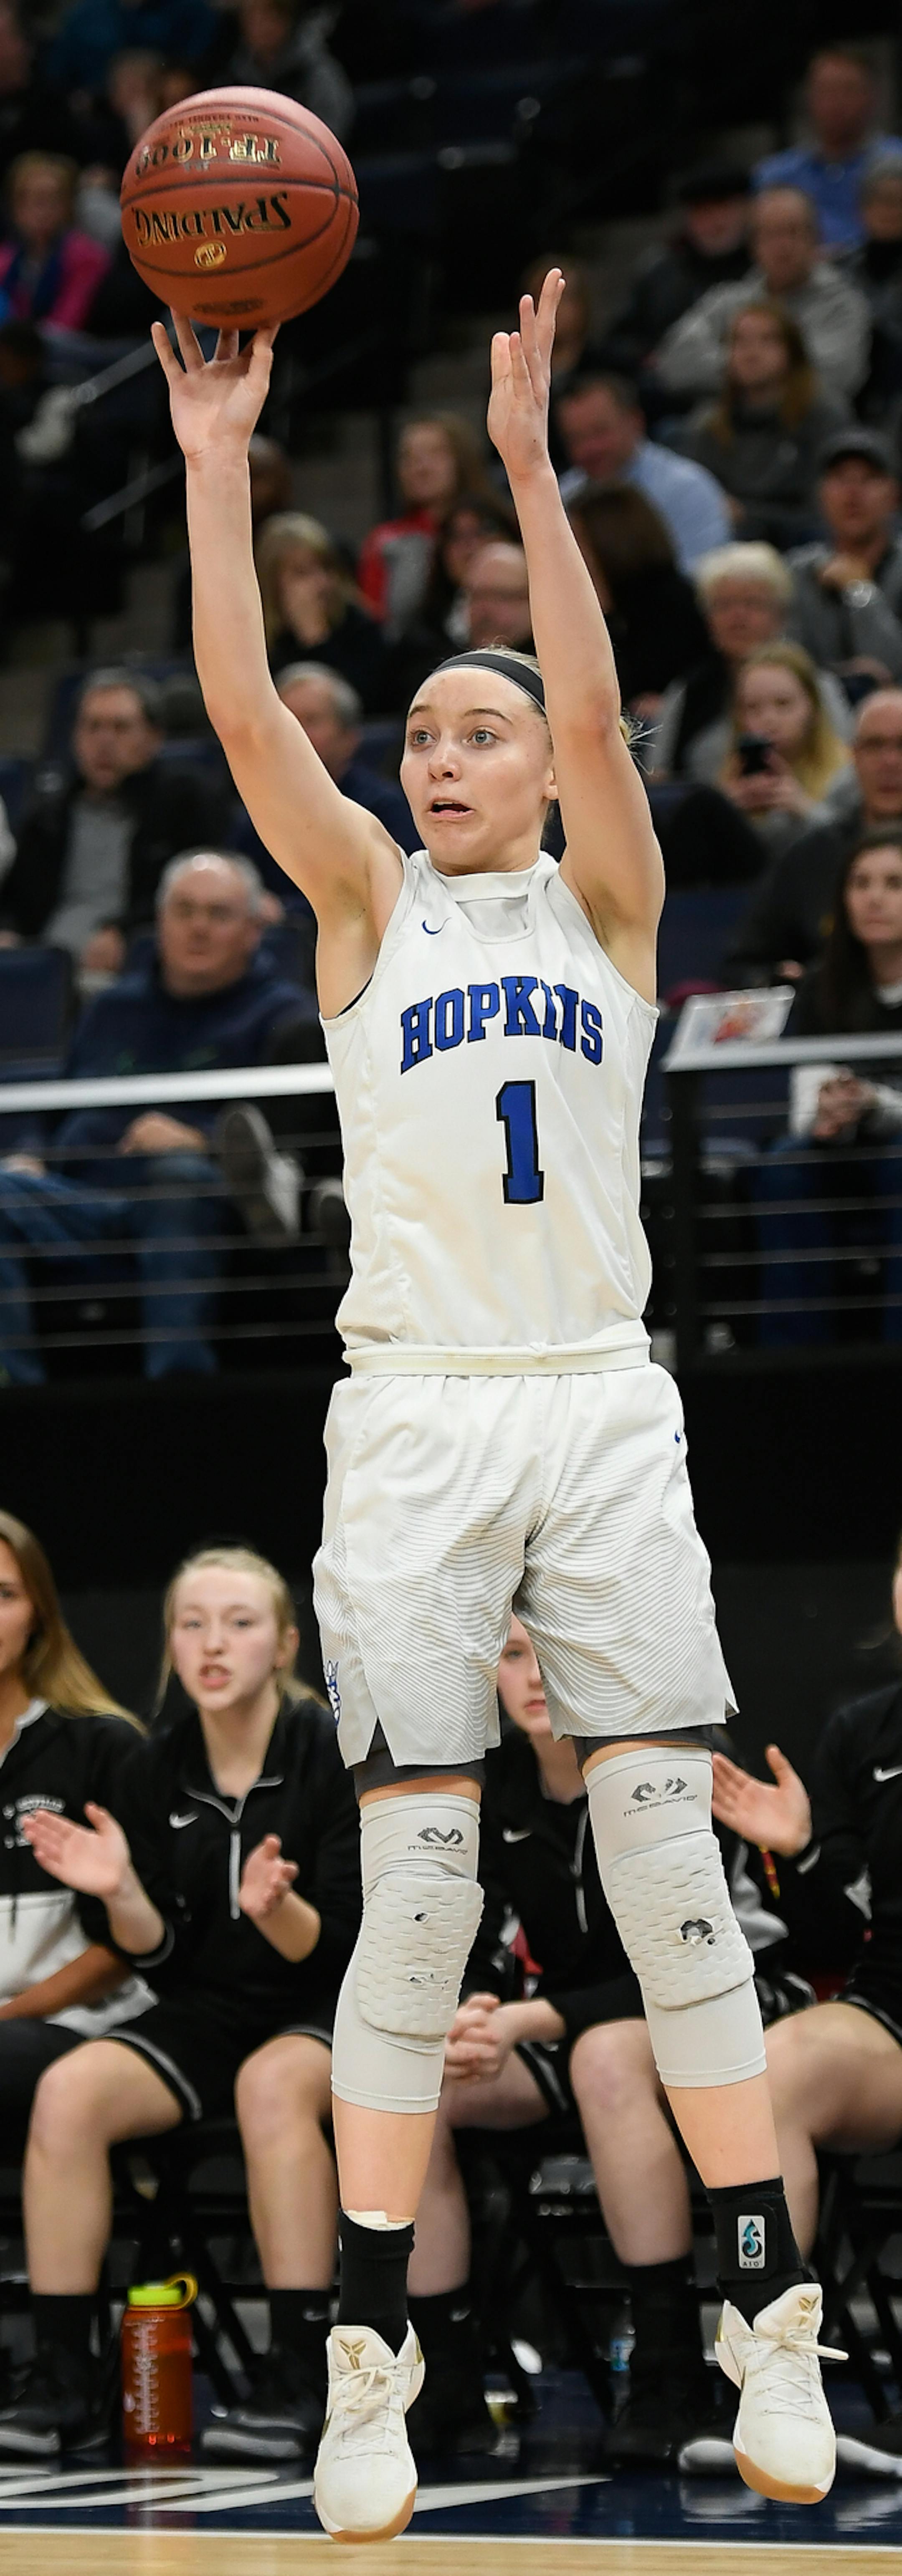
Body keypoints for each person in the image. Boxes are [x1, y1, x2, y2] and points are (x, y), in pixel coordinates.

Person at [152, 270, 839, 2537]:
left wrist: (538, 471)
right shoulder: (368, 913)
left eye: (479, 726)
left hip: (600, 1397)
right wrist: (223, 456)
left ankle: (766, 2304)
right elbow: (253, 714)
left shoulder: (610, 901)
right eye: (424, 730)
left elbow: (607, 706)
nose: (440, 752)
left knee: (665, 1860)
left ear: (548, 760)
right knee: (418, 1881)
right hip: (419, 1409)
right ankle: (370, 2354)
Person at [409, 1614, 805, 2472]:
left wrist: (533, 2018)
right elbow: (479, 1942)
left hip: (728, 2007)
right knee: (425, 2083)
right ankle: (441, 2382)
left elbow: (686, 1962)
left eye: (554, 1650)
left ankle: (666, 2369)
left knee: (605, 2054)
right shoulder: (489, 1792)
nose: (536, 1673)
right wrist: (473, 2018)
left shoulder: (663, 1770)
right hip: (575, 2021)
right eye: (514, 1654)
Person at [0, 1542, 361, 2462]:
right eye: (191, 1624)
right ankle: (64, 2374)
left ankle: (297, 2370)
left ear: (284, 1645)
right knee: (70, 2093)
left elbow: (345, 1943)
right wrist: (120, 1892)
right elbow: (155, 1950)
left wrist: (278, 1912)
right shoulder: (152, 1765)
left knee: (274, 2085)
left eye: (239, 1623)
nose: (212, 1644)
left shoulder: (331, 1750)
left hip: (326, 2004)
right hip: (205, 2008)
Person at [0, 850, 309, 1384]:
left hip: (195, 1203)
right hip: (82, 1202)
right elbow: (55, 1110)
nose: (198, 929)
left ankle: (177, 1399)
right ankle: (17, 1400)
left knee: (178, 1182)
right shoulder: (111, 1008)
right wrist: (30, 1154)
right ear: (160, 922)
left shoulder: (286, 1017)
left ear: (255, 929)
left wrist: (199, 1141)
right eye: (184, 911)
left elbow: (289, 1142)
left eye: (218, 915)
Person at [0, 1508, 148, 2154]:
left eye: (3, 1595)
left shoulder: (101, 1743)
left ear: (38, 1613)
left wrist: (7, 2015)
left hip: (81, 2023)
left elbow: (126, 1949)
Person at [753, 829, 902, 1347]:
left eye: (893, 884)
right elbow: (804, 1100)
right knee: (785, 1167)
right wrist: (827, 1113)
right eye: (861, 884)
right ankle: (793, 1359)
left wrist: (873, 1103)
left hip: (894, 1148)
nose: (874, 898)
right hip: (841, 1148)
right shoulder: (823, 982)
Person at [0, 669, 232, 978]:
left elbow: (195, 890)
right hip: (47, 967)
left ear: (153, 738)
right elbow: (14, 903)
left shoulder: (184, 803)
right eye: (92, 727)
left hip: (139, 966)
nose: (104, 742)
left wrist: (126, 933)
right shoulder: (48, 818)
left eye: (120, 728)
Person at [724, 685, 902, 986]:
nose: (890, 761)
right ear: (854, 756)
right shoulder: (811, 855)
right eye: (875, 745)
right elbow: (745, 964)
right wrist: (787, 982)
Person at [651, 541, 849, 786]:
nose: (738, 617)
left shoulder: (816, 684)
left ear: (781, 616)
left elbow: (846, 766)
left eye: (752, 604)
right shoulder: (689, 691)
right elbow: (659, 774)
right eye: (724, 605)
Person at [654, 189, 871, 408]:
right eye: (771, 235)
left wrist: (740, 368)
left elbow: (835, 377)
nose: (782, 246)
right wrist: (755, 367)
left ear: (815, 239)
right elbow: (675, 361)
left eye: (793, 233)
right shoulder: (728, 300)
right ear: (754, 245)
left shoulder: (843, 304)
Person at [233, 663, 418, 918]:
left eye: (311, 720)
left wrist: (288, 911)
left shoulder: (385, 808)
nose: (295, 733)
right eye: (287, 720)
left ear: (349, 738)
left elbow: (397, 899)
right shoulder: (257, 809)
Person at [672, 301, 849, 554]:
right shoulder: (710, 425)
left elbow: (825, 513)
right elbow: (695, 503)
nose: (751, 352)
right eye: (740, 342)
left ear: (792, 352)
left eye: (767, 341)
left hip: (804, 550)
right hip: (726, 553)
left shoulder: (823, 417)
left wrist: (749, 514)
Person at [555, 372, 730, 576]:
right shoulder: (563, 495)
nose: (589, 449)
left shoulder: (688, 489)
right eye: (576, 439)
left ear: (635, 422)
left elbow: (705, 578)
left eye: (600, 432)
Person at [599, 165, 754, 387]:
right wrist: (645, 358)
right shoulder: (661, 275)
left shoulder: (765, 270)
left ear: (746, 209)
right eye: (702, 211)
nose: (713, 222)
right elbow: (621, 339)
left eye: (722, 207)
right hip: (671, 395)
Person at [568, 481, 718, 708]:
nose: (568, 552)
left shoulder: (672, 602)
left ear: (609, 541)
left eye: (576, 539)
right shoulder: (609, 606)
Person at [754, 46, 902, 254]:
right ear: (808, 98)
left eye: (848, 89)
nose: (836, 102)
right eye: (826, 90)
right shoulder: (775, 176)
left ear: (873, 97)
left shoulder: (897, 161)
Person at [787, 430, 902, 685]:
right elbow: (790, 669)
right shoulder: (798, 572)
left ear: (895, 496)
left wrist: (860, 592)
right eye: (840, 479)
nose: (853, 494)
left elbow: (894, 669)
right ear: (821, 495)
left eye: (869, 479)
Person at [358, 414, 492, 632]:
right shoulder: (383, 541)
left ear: (463, 459)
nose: (421, 468)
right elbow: (377, 623)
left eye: (435, 453)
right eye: (409, 458)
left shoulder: (497, 525)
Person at [719, 642, 852, 858]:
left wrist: (804, 810)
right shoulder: (727, 777)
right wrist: (726, 811)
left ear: (813, 708)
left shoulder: (847, 775)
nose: (769, 720)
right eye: (752, 708)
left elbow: (858, 846)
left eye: (783, 704)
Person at [256, 512, 390, 715]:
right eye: (302, 573)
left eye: (325, 569)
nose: (321, 583)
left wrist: (316, 640)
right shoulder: (253, 636)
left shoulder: (358, 625)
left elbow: (365, 706)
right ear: (272, 583)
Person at [0, 152, 109, 331]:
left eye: (50, 199)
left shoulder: (87, 258)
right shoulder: (6, 258)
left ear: (68, 205)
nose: (40, 210)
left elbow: (66, 325)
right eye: (30, 199)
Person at [221, 0, 353, 139]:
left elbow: (332, 131)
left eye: (269, 17)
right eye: (252, 19)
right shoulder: (235, 72)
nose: (260, 26)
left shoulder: (315, 72)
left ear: (287, 21)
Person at [463, 538, 533, 654]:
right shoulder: (449, 667)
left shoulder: (558, 665)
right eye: (476, 596)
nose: (484, 610)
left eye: (500, 596)